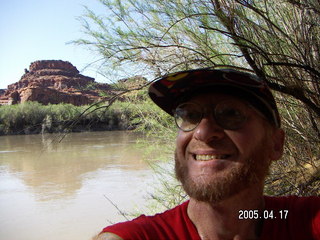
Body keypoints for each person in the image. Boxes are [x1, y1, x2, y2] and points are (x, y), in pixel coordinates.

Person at [95, 68, 320, 240]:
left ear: (276, 145)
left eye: (231, 113)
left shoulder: (300, 220)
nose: (202, 132)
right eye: (190, 115)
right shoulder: (144, 235)